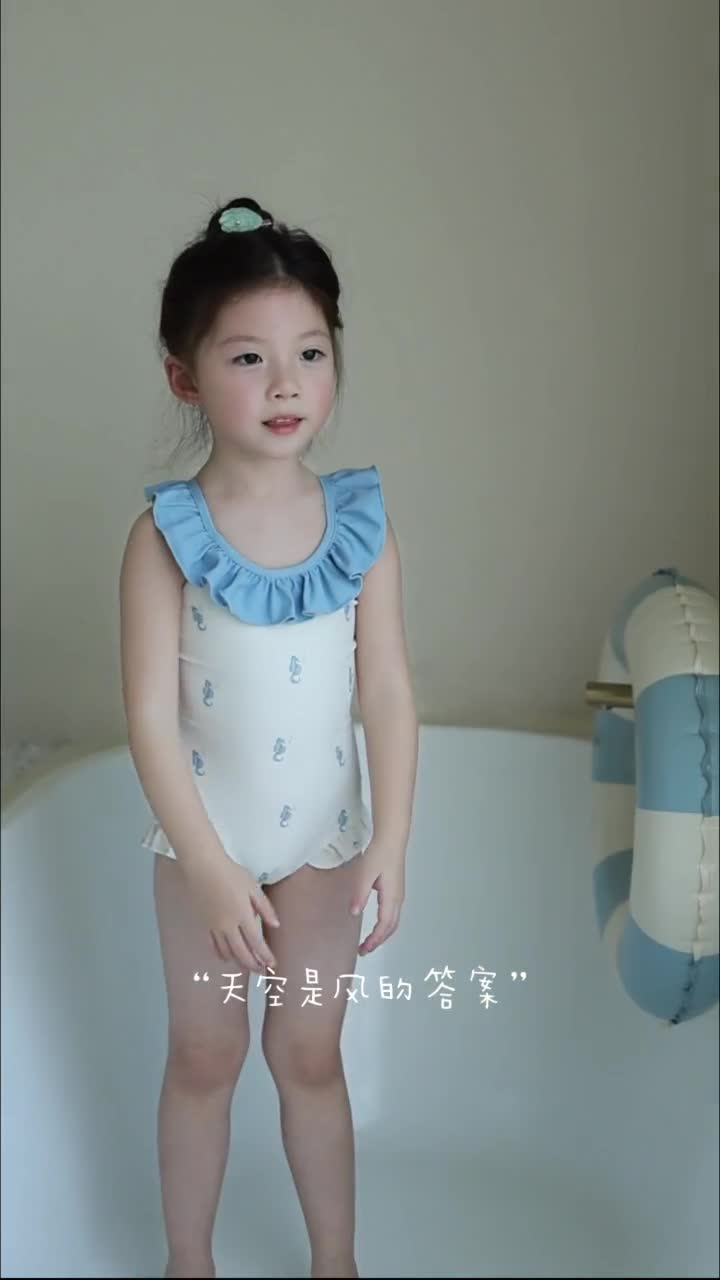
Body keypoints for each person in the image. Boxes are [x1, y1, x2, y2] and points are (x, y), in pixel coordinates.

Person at [119, 196, 419, 1280]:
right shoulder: (164, 540)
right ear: (185, 376)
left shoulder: (361, 528)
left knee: (309, 1053)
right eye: (249, 356)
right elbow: (149, 717)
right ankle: (187, 1261)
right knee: (205, 1058)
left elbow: (387, 690)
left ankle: (335, 1261)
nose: (286, 382)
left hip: (323, 847)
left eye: (310, 352)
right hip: (207, 847)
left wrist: (390, 840)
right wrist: (207, 867)